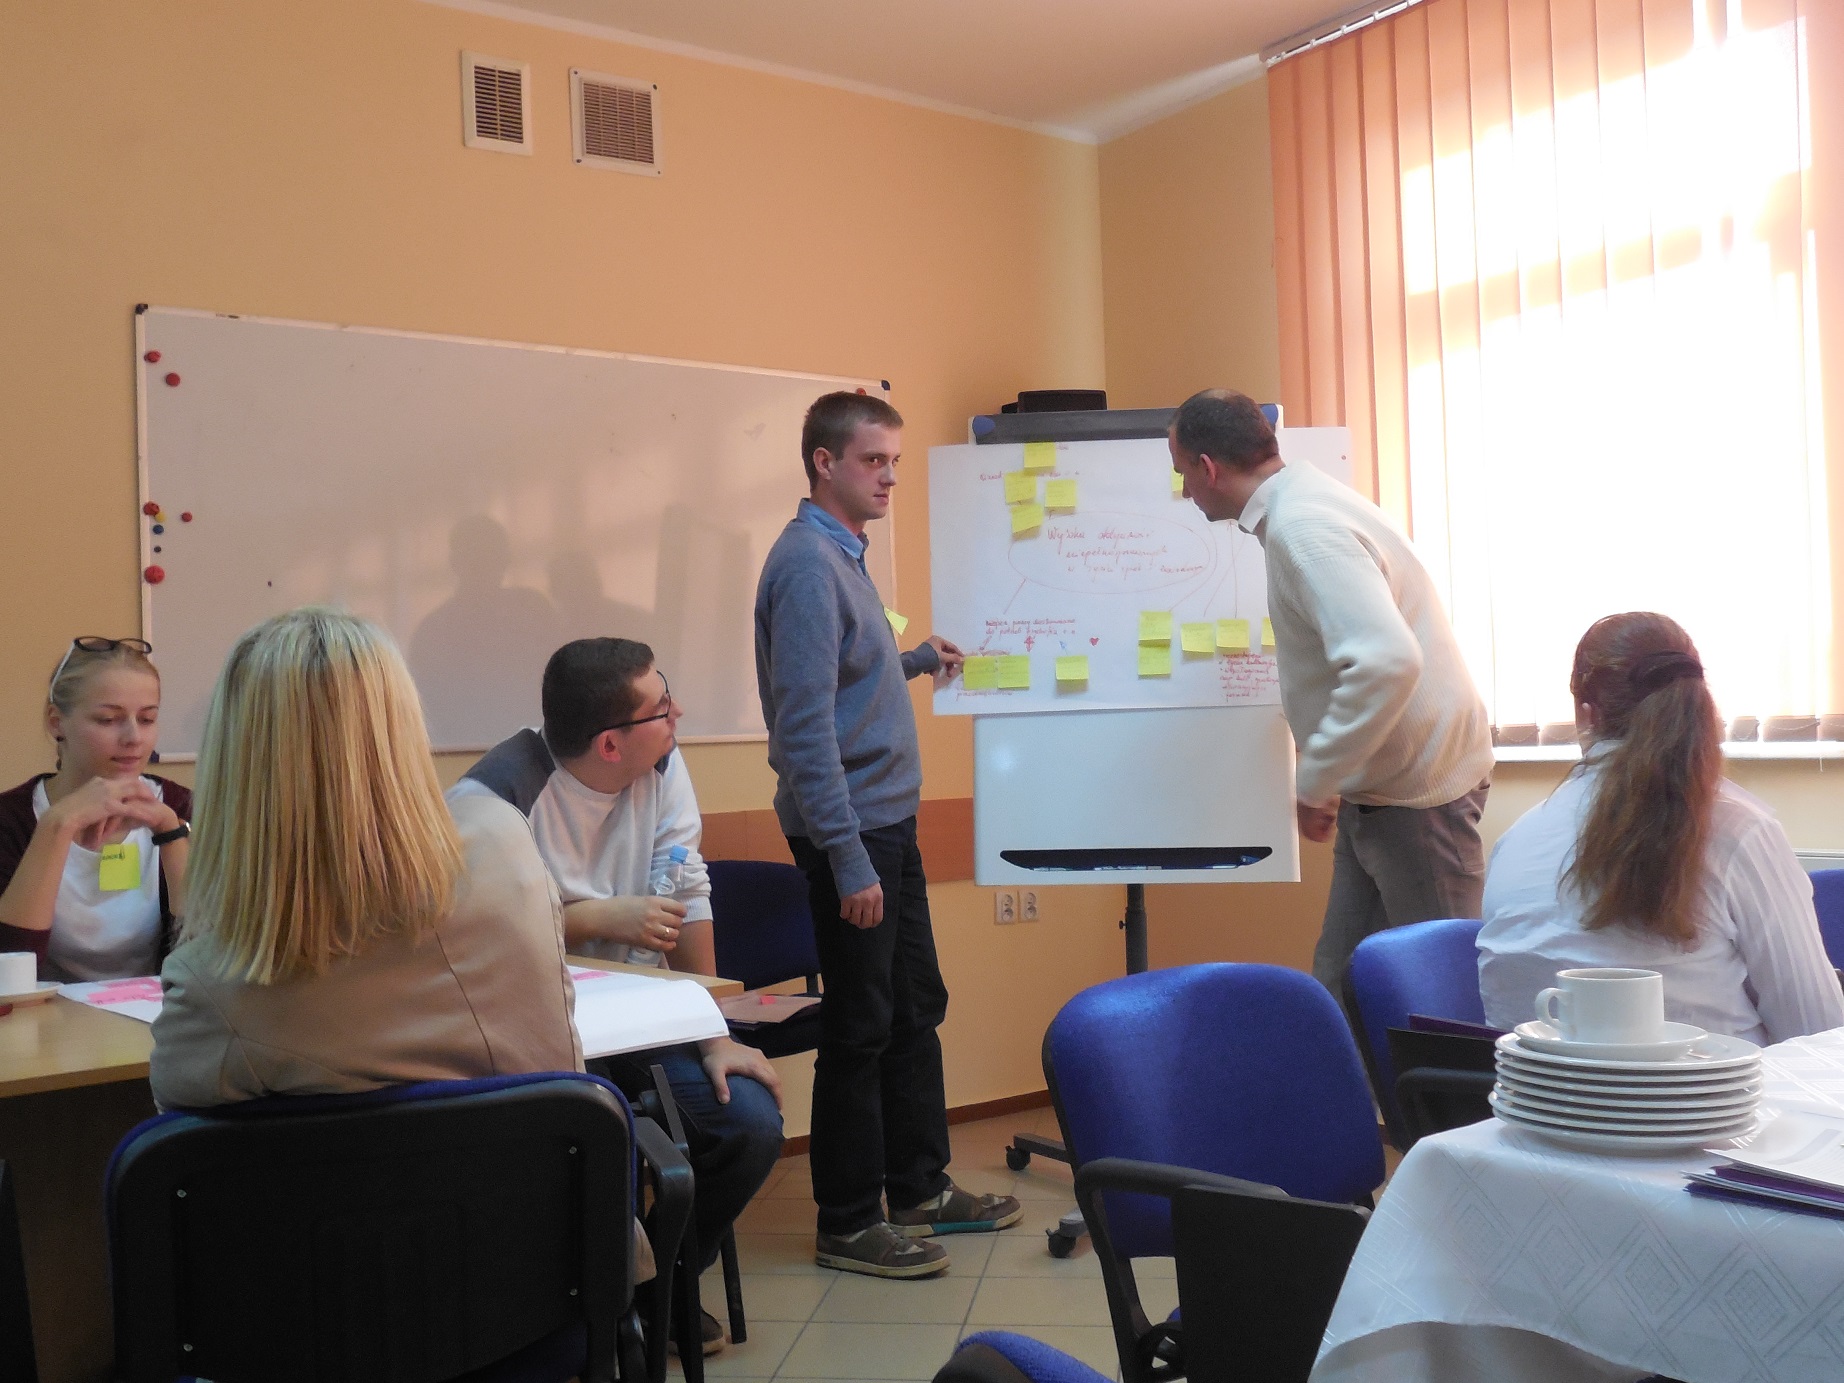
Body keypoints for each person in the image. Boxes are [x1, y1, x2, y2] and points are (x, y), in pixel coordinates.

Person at [454, 637, 783, 1353]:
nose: (677, 715)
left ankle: (657, 1292)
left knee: (749, 1124)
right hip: (545, 1026)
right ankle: (593, 1314)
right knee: (602, 1145)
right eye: (662, 707)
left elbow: (685, 887)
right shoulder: (492, 799)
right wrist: (594, 917)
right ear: (610, 743)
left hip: (643, 1010)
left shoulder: (660, 761)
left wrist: (715, 1030)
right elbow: (480, 935)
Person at [755, 390, 1019, 1281]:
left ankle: (919, 1188)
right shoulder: (806, 566)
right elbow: (803, 731)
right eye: (874, 460)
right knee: (861, 1024)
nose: (891, 477)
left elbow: (844, 680)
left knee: (913, 1005)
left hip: (885, 824)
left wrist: (912, 659)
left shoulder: (845, 554)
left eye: (895, 462)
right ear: (824, 461)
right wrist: (847, 857)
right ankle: (846, 1220)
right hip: (854, 834)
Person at [147, 608, 581, 1106]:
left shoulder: (210, 990)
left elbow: (180, 1145)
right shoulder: (503, 842)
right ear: (402, 725)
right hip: (545, 1153)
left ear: (232, 758)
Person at [1170, 389, 1494, 1000]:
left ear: (1208, 468)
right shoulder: (1309, 499)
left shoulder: (1304, 529)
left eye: (1183, 471)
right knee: (1344, 986)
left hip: (1418, 799)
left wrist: (1315, 779)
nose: (1185, 490)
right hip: (1382, 792)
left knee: (1445, 1005)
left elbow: (1388, 660)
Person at [1477, 612, 1844, 1045]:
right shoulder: (1740, 831)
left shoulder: (1515, 840)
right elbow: (1817, 1032)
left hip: (1536, 1087)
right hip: (1713, 1088)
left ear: (1586, 713)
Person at [0, 637, 191, 982]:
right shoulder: (10, 819)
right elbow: (9, 969)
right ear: (56, 722)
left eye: (147, 719)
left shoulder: (181, 806)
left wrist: (171, 833)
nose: (134, 737)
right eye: (108, 719)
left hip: (158, 1011)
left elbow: (210, 963)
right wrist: (57, 825)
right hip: (46, 1013)